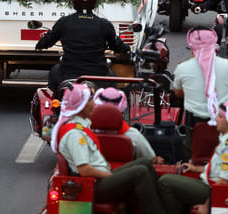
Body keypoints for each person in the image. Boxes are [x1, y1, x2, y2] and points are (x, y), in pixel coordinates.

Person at [51, 84, 167, 214]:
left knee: (145, 163)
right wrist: (108, 175)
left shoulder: (79, 126)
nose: (93, 103)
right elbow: (84, 170)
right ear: (80, 105)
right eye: (89, 100)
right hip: (92, 185)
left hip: (97, 178)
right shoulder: (75, 134)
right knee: (140, 172)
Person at [158, 102, 228, 214]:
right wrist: (195, 169)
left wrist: (207, 203)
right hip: (209, 184)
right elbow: (217, 169)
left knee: (165, 181)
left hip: (210, 189)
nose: (216, 119)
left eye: (220, 116)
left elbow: (224, 181)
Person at [35, 0, 129, 91]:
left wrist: (41, 44)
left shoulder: (64, 22)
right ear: (95, 0)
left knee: (54, 72)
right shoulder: (104, 24)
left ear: (73, 0)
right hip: (98, 74)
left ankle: (56, 106)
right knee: (112, 83)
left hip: (68, 73)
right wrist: (126, 48)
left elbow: (46, 42)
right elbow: (117, 46)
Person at [172, 27, 228, 158]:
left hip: (194, 125)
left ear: (191, 47)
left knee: (192, 155)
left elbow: (178, 93)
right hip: (225, 124)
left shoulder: (182, 68)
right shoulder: (227, 65)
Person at [92, 88, 163, 162]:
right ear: (122, 113)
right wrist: (157, 160)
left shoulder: (83, 133)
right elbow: (151, 160)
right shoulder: (134, 136)